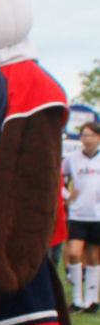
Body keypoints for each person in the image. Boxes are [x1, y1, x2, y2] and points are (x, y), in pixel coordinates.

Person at [63, 121, 100, 312]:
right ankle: (77, 300)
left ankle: (91, 300)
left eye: (90, 135)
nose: (86, 139)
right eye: (83, 135)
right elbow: (58, 178)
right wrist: (67, 196)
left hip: (97, 216)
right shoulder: (72, 158)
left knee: (94, 257)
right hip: (77, 214)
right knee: (74, 254)